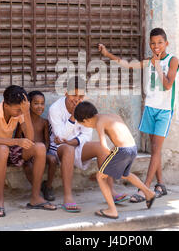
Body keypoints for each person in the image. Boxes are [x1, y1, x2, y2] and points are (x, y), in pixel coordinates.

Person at [98, 27, 179, 202]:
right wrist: (107, 54)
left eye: (159, 43)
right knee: (155, 149)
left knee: (156, 149)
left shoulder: (173, 60)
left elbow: (167, 85)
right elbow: (126, 64)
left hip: (164, 111)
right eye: (153, 43)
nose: (156, 46)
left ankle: (145, 189)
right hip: (150, 108)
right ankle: (160, 184)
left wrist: (157, 66)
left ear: (166, 43)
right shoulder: (149, 61)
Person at [48, 76, 129, 212]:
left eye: (81, 96)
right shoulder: (55, 109)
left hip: (77, 145)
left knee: (101, 148)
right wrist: (73, 117)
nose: (77, 99)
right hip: (59, 148)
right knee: (68, 149)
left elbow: (86, 135)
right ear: (66, 93)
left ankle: (111, 191)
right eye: (74, 95)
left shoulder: (85, 107)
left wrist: (71, 141)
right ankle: (68, 197)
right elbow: (59, 136)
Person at [74, 101, 156, 219]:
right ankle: (149, 193)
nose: (86, 127)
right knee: (125, 174)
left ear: (86, 120)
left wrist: (109, 154)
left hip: (122, 150)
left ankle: (112, 210)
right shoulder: (112, 116)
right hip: (132, 148)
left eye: (82, 124)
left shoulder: (99, 123)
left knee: (100, 176)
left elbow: (103, 146)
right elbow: (121, 135)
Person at [0, 85, 56, 217]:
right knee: (3, 149)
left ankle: (35, 198)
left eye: (21, 110)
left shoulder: (20, 112)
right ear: (6, 105)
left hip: (9, 149)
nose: (19, 112)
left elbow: (30, 138)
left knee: (39, 147)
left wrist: (26, 113)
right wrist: (17, 141)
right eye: (17, 110)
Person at [15, 90, 55, 201]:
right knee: (27, 167)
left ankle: (48, 187)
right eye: (36, 103)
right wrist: (29, 153)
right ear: (29, 105)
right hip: (28, 153)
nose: (40, 106)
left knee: (52, 160)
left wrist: (43, 152)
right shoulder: (22, 121)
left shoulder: (44, 122)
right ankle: (37, 189)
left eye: (42, 103)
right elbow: (18, 138)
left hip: (42, 152)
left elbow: (47, 141)